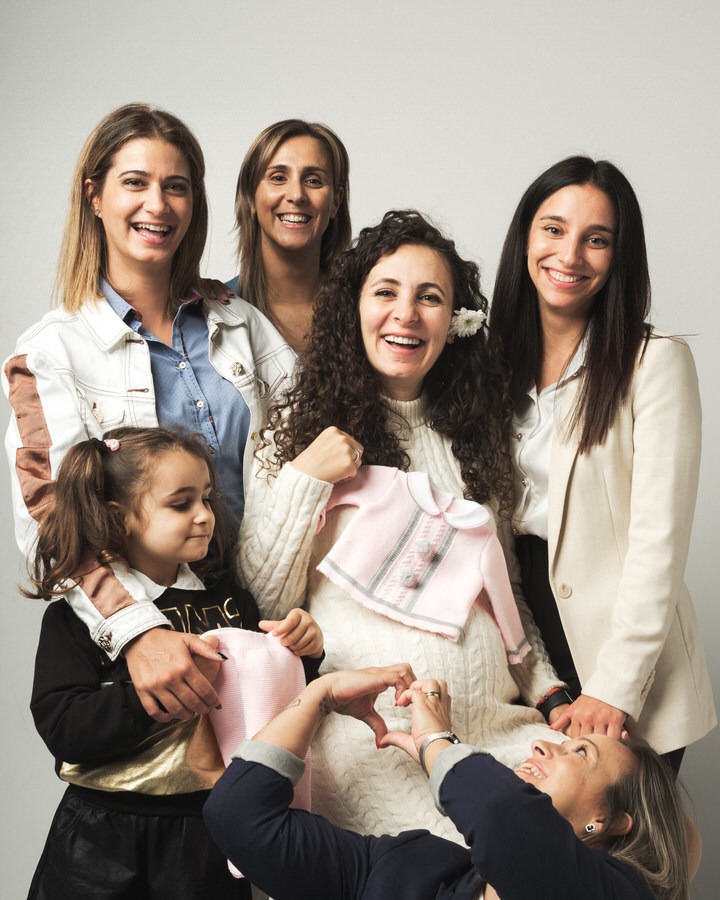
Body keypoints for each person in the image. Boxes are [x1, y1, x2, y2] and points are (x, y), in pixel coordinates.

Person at [237, 209, 569, 843]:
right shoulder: (291, 434)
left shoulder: (478, 435)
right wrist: (306, 478)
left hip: (498, 729)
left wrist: (551, 694)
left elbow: (506, 594)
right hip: (376, 737)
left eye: (430, 298)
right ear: (352, 309)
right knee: (475, 863)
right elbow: (264, 602)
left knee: (622, 830)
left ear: (455, 321)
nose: (406, 315)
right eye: (385, 292)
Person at [3, 103, 296, 722]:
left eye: (176, 186)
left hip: (260, 622)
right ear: (95, 196)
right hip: (156, 643)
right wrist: (139, 632)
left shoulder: (239, 321)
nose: (157, 205)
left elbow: (309, 443)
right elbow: (51, 523)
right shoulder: (51, 351)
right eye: (135, 182)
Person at [27, 426, 323, 900]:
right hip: (101, 837)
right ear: (119, 517)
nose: (205, 515)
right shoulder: (76, 618)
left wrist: (305, 654)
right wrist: (153, 697)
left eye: (206, 498)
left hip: (205, 836)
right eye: (181, 504)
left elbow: (274, 708)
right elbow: (63, 728)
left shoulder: (233, 602)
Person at [489, 156, 715, 770]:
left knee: (618, 833)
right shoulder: (490, 365)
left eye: (597, 239)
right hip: (522, 640)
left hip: (623, 651)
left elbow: (659, 543)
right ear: (525, 237)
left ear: (619, 256)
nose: (570, 254)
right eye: (553, 229)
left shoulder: (655, 363)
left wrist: (615, 686)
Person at [204, 664, 691, 900]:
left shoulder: (616, 894)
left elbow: (506, 818)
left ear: (610, 820)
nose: (545, 745)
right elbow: (238, 816)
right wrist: (320, 695)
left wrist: (436, 739)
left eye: (580, 751)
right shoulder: (413, 865)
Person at [228, 118, 351, 353]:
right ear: (251, 196)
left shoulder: (366, 309)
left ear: (336, 201)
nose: (296, 195)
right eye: (278, 178)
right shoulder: (214, 312)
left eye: (313, 181)